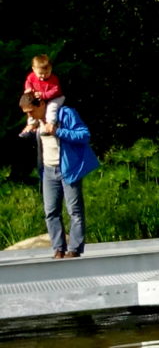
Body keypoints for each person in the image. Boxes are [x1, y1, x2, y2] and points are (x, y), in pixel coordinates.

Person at [22, 91, 98, 259]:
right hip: (48, 171)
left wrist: (57, 131)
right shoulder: (36, 123)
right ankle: (58, 249)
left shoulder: (65, 113)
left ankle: (75, 249)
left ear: (41, 104)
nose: (29, 115)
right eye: (26, 113)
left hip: (68, 169)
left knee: (75, 211)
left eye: (31, 111)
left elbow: (84, 135)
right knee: (50, 211)